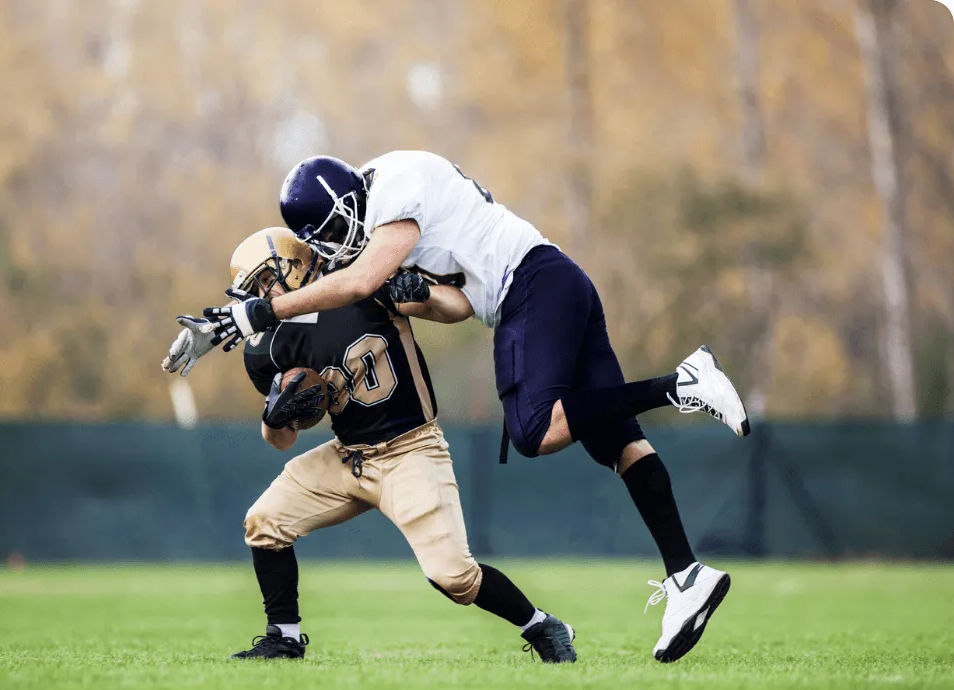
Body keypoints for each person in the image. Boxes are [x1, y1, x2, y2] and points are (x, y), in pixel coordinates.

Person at [194, 152, 751, 663]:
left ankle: (681, 383)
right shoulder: (362, 247)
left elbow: (368, 280)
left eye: (270, 281)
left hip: (519, 299)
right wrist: (276, 411)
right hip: (532, 297)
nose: (339, 242)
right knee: (618, 442)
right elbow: (448, 297)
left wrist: (262, 311)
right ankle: (686, 575)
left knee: (534, 432)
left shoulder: (388, 201)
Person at [163, 227, 577, 663]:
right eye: (254, 289)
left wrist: (425, 293)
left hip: (411, 449)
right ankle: (283, 636)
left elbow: (458, 307)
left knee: (452, 576)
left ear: (298, 262)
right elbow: (281, 441)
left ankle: (542, 626)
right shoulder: (265, 346)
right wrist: (274, 415)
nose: (262, 295)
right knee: (264, 521)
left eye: (267, 280)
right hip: (348, 455)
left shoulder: (360, 283)